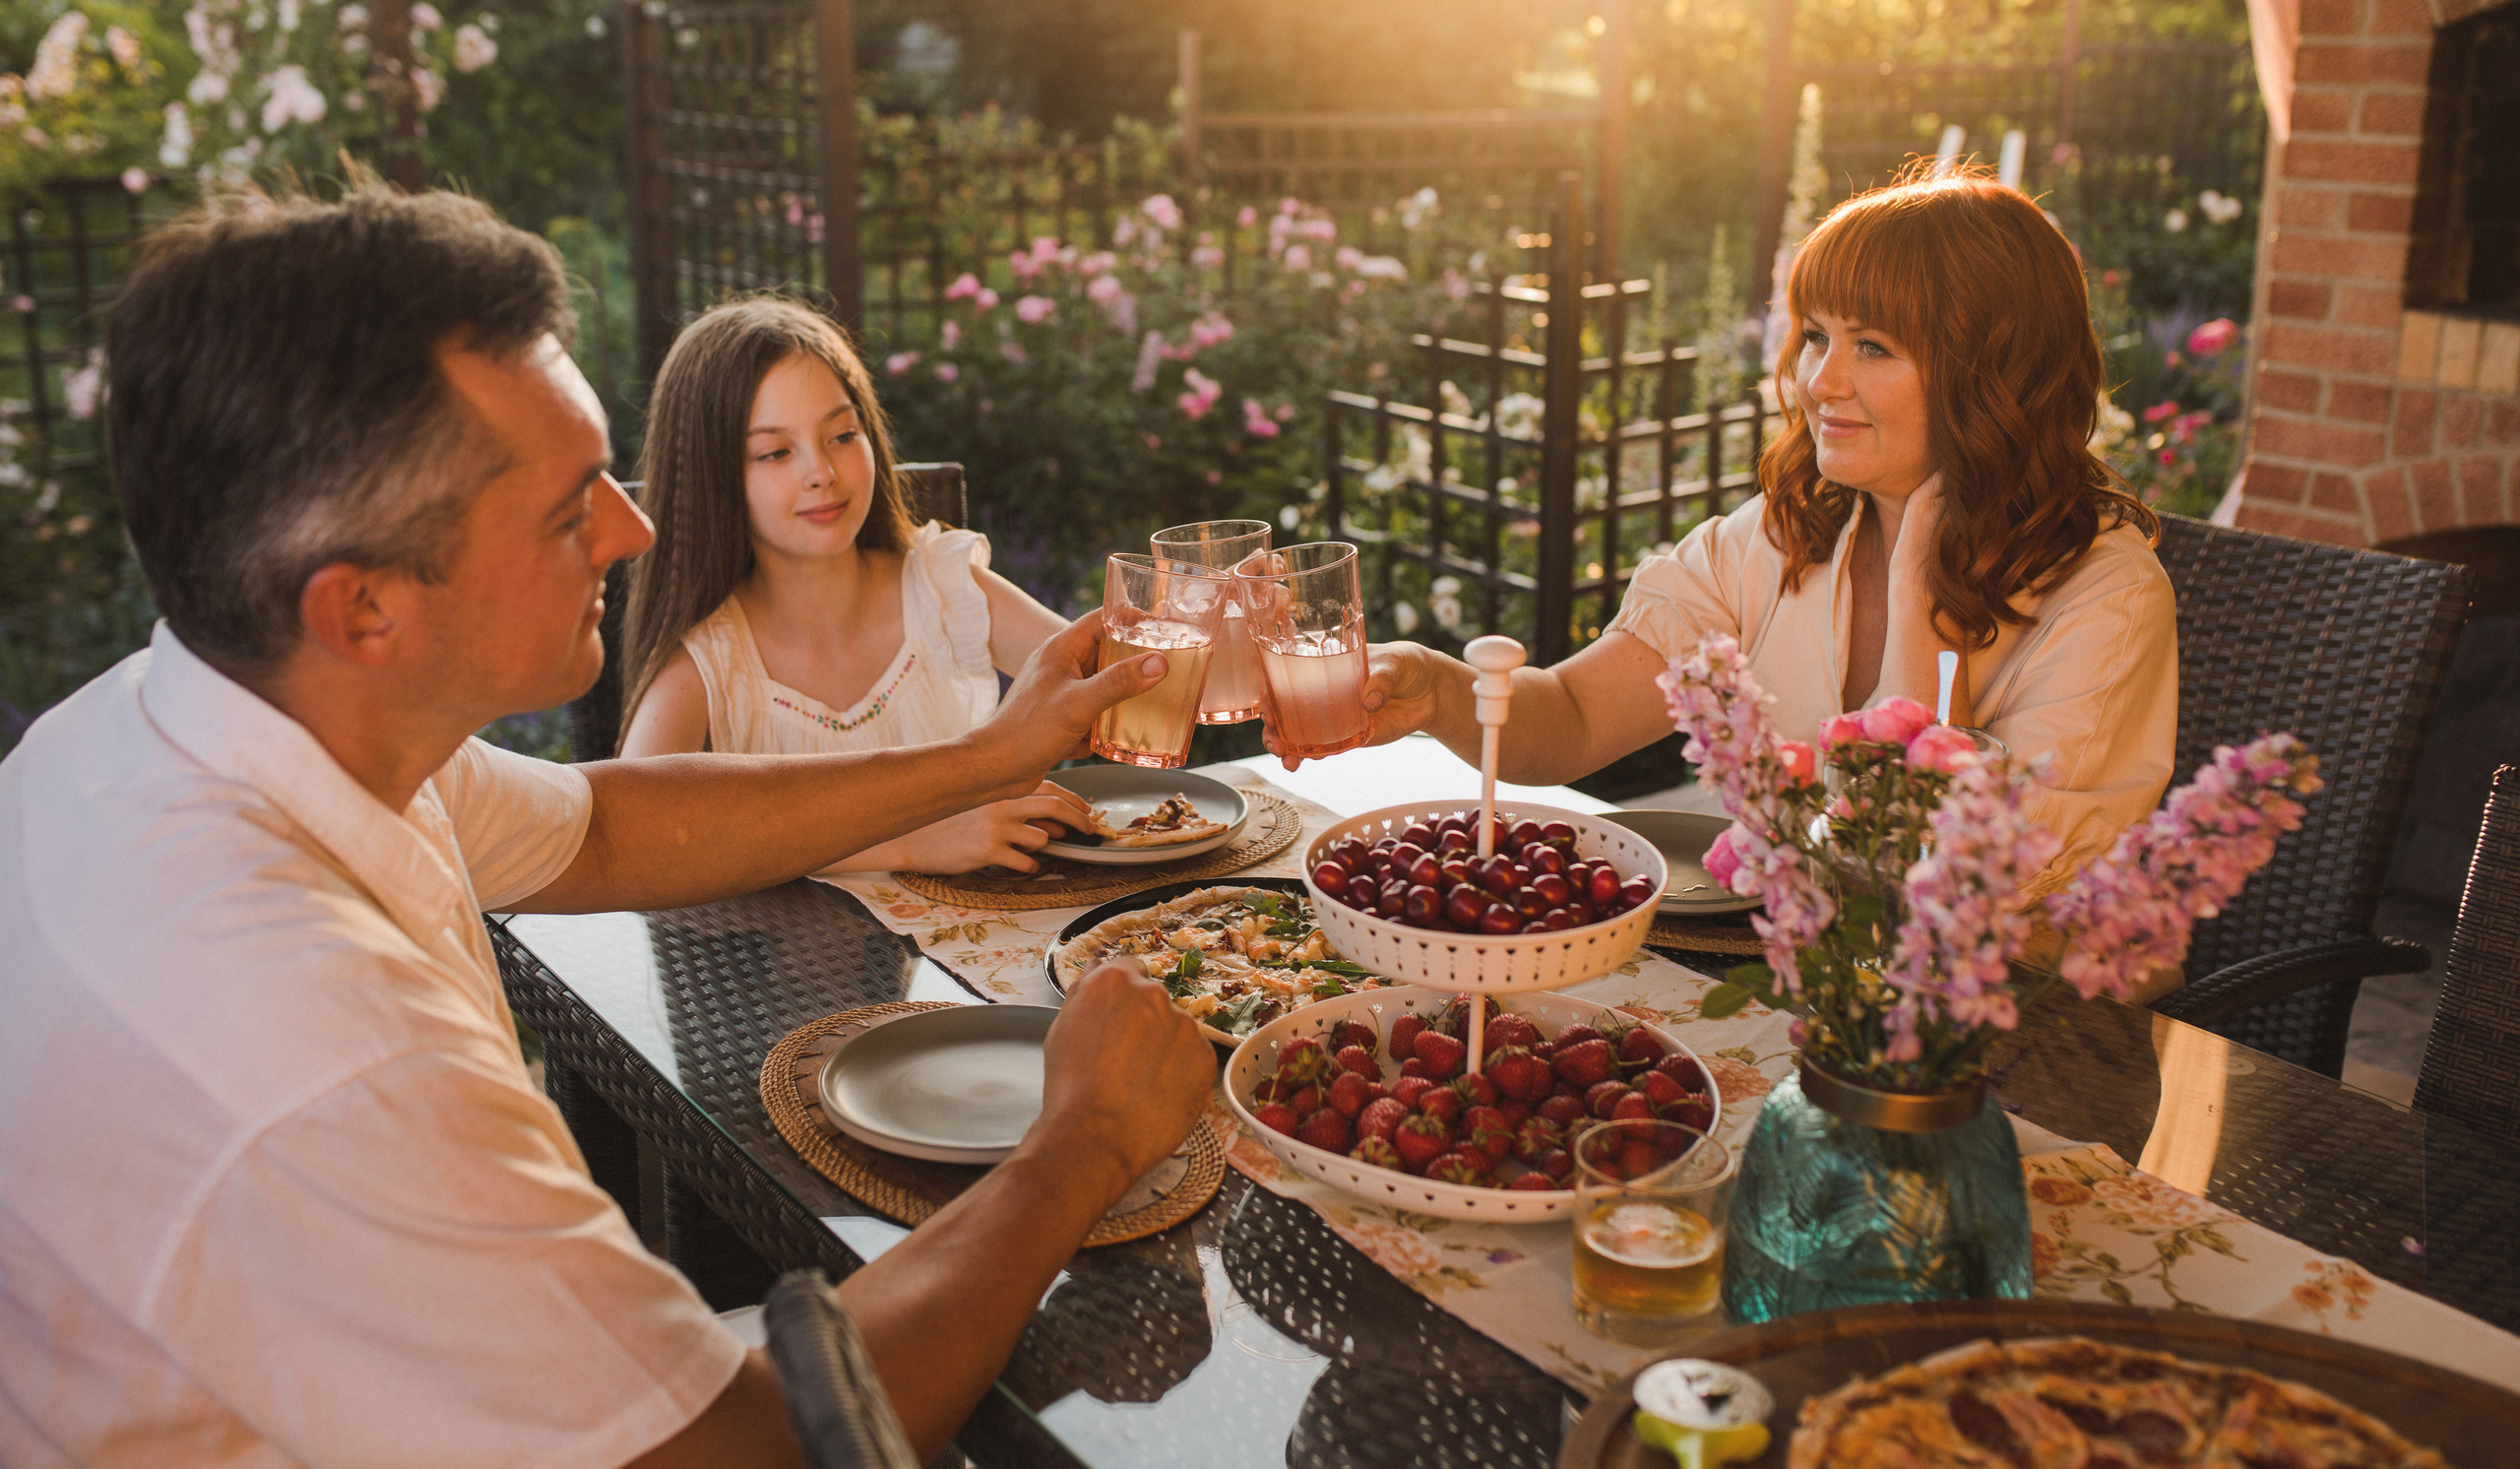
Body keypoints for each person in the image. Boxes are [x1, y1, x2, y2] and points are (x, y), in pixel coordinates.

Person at [0, 186, 1218, 1469]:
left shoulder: (162, 723)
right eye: (570, 500)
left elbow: (605, 826)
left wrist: (985, 752)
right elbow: (769, 1446)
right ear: (362, 608)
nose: (632, 527)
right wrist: (1082, 1136)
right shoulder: (321, 1055)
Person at [1273, 173, 2176, 909]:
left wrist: (1915, 594)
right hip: (1794, 995)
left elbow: (1919, 889)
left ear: (1995, 370)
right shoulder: (1788, 534)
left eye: (1873, 347)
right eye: (1818, 336)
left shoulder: (2106, 599)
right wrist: (1439, 690)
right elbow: (1577, 719)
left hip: (2013, 1058)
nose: (1820, 380)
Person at [616, 297, 1087, 875]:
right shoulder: (711, 666)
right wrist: (911, 842)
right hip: (775, 966)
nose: (822, 472)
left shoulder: (943, 592)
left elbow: (1101, 677)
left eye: (842, 434)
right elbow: (637, 837)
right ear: (714, 479)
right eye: (776, 452)